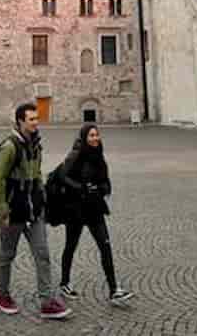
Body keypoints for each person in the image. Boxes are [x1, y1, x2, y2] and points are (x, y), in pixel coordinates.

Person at [0, 103, 69, 320]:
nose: (36, 122)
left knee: (42, 254)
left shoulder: (36, 145)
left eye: (37, 118)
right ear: (20, 121)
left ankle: (46, 301)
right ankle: (2, 296)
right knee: (7, 255)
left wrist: (42, 200)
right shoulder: (9, 147)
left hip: (35, 210)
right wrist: (2, 211)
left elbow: (37, 175)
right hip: (14, 211)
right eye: (31, 119)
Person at [58, 123, 133, 305]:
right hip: (76, 209)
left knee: (105, 246)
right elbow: (62, 176)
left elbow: (105, 180)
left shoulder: (99, 156)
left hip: (94, 208)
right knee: (71, 245)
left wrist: (103, 188)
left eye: (96, 135)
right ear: (84, 137)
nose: (95, 138)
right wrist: (81, 188)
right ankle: (64, 283)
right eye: (91, 135)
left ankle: (114, 290)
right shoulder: (75, 155)